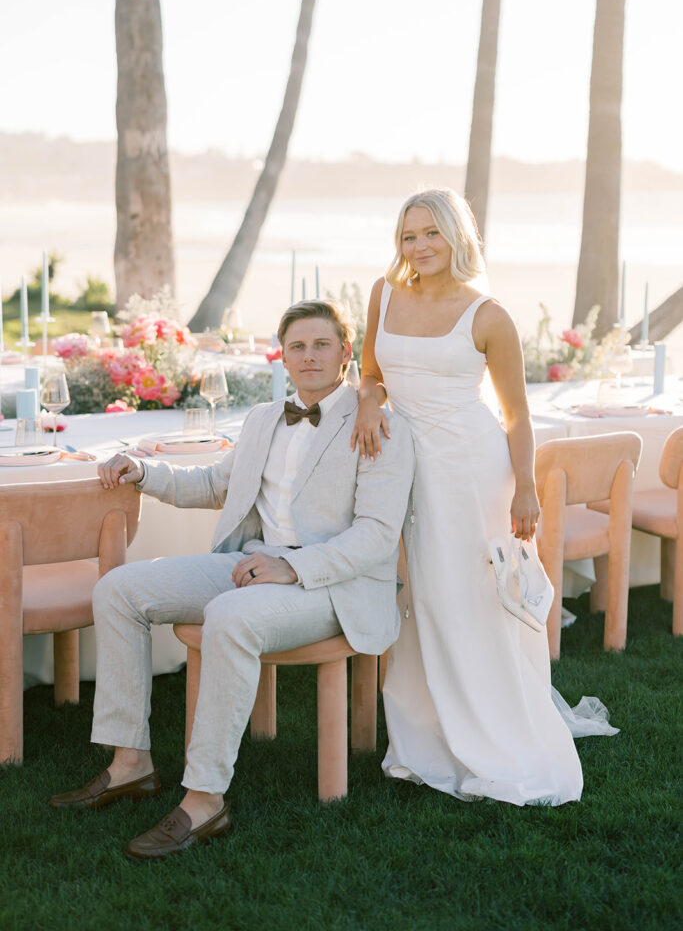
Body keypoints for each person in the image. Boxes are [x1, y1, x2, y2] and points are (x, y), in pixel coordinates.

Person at [50, 299, 414, 858]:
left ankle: (204, 797)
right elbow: (217, 485)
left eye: (322, 344)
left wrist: (290, 566)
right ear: (282, 356)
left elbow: (376, 536)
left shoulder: (378, 425)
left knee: (228, 616)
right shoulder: (264, 418)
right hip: (249, 563)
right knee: (118, 589)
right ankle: (129, 763)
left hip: (331, 585)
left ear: (346, 352)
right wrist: (143, 471)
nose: (309, 355)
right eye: (298, 346)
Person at [351, 188, 584, 806]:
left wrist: (527, 490)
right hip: (406, 468)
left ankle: (495, 734)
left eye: (432, 234)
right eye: (409, 236)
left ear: (458, 237)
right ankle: (423, 734)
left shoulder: (488, 315)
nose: (420, 247)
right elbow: (369, 373)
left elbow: (517, 416)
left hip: (473, 471)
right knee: (422, 598)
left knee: (469, 601)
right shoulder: (384, 293)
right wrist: (370, 403)